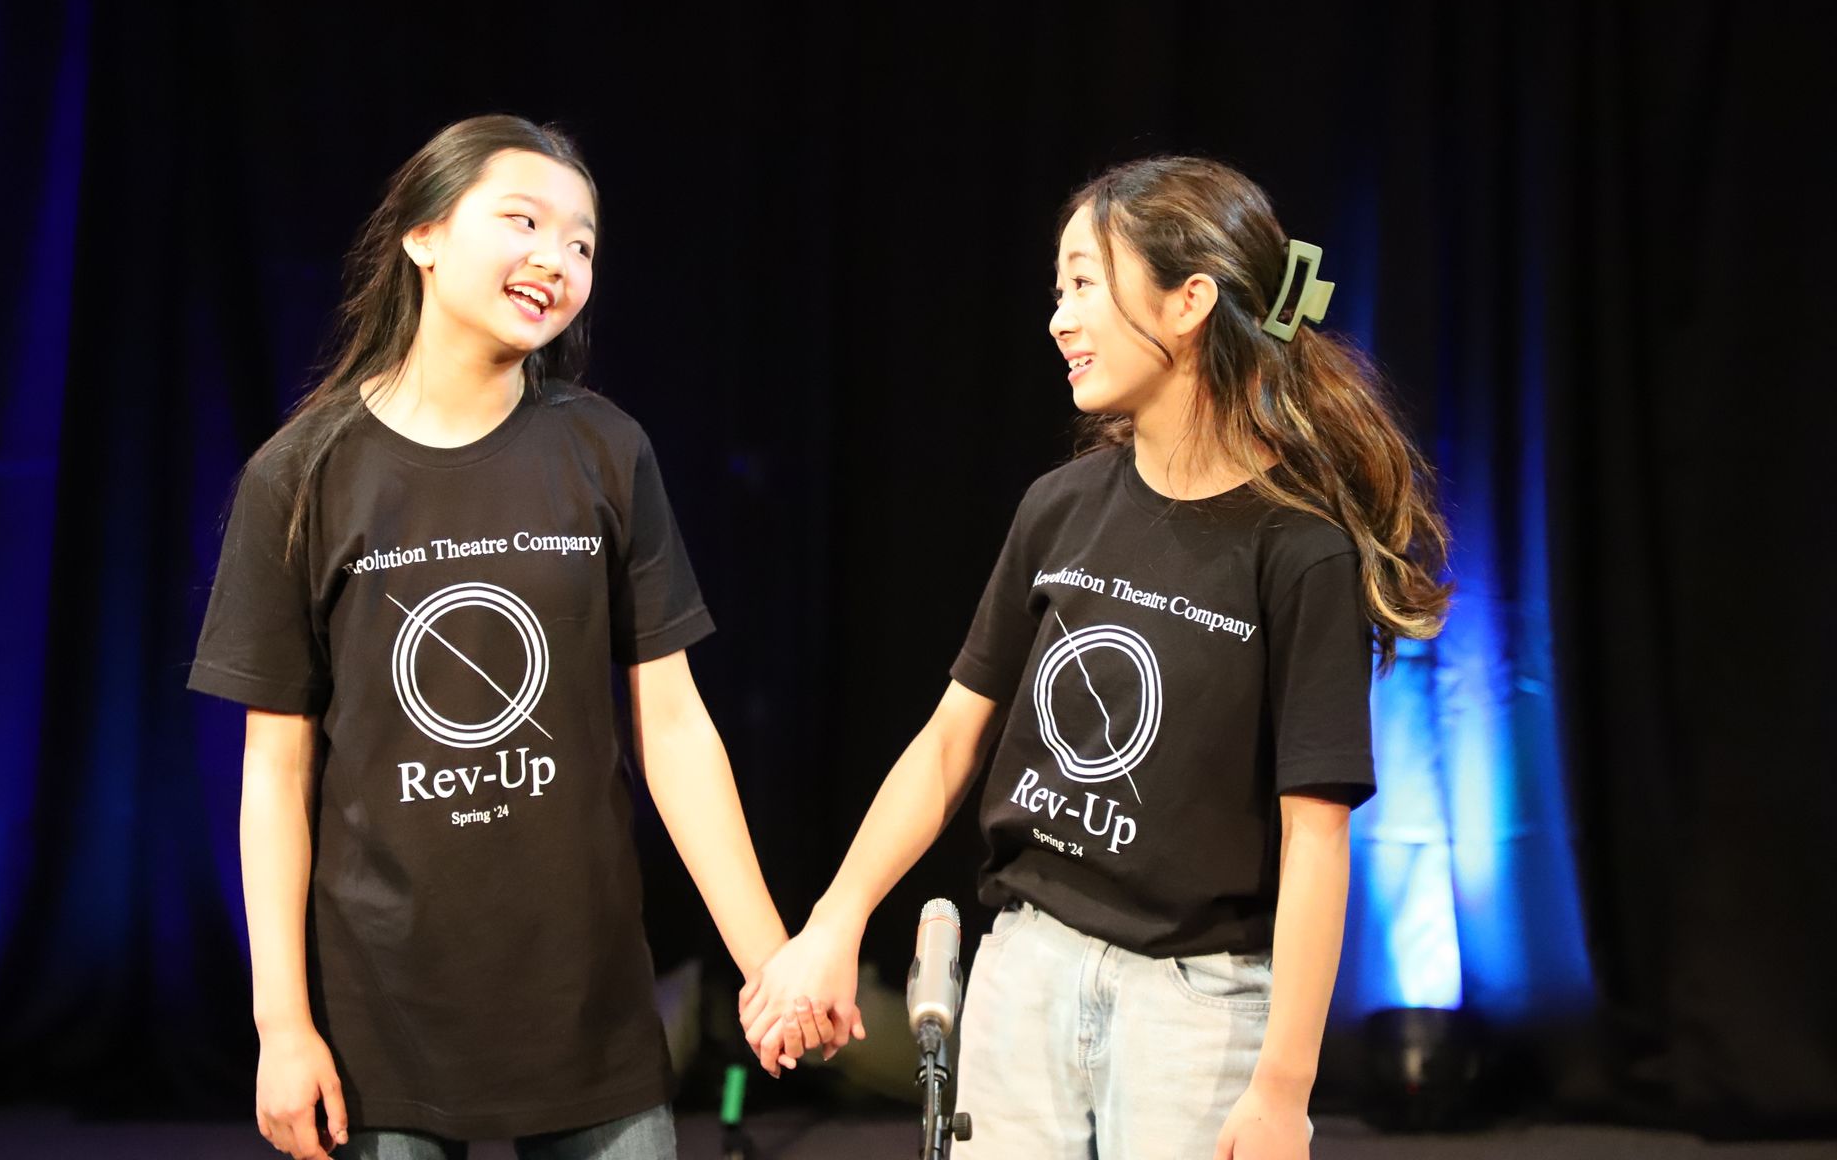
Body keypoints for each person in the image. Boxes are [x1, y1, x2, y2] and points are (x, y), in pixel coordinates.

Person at [740, 156, 1451, 1158]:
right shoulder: (1060, 505)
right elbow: (951, 741)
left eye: (1085, 282)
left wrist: (1284, 1087)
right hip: (1024, 971)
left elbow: (1315, 842)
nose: (1059, 318)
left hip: (1196, 1011)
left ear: (1190, 300)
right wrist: (833, 921)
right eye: (1057, 288)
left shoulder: (1298, 550)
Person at [190, 115, 801, 1160]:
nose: (555, 258)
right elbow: (273, 771)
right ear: (423, 236)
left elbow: (676, 725)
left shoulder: (607, 449)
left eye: (582, 243)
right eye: (522, 219)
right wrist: (281, 1024)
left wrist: (768, 959)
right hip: (379, 1019)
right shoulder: (299, 475)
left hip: (585, 1006)